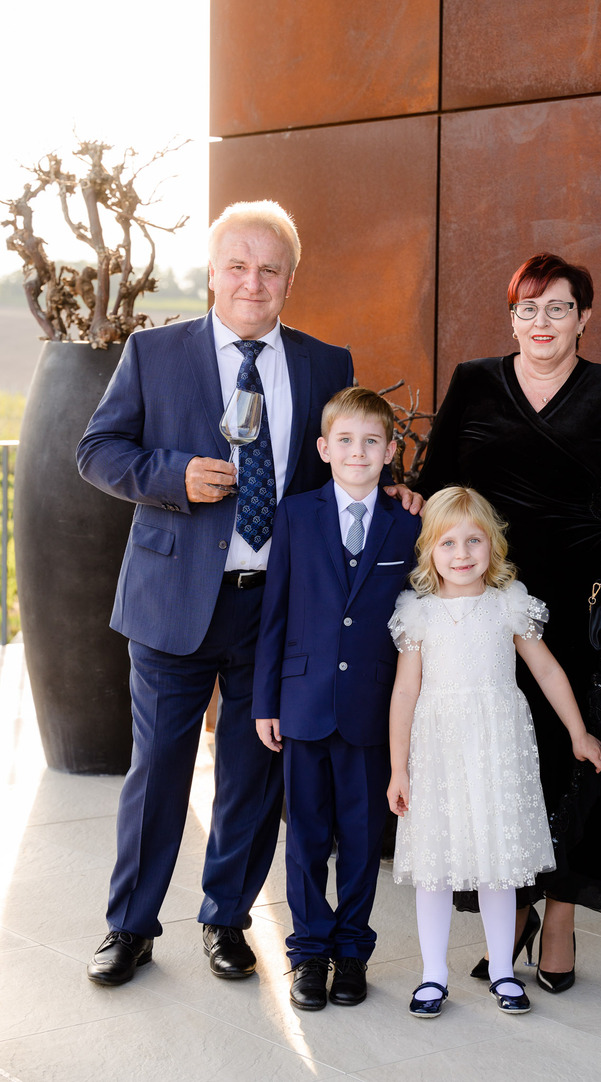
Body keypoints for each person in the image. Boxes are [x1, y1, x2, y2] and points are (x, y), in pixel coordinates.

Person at [76, 200, 392, 987]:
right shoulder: (153, 353)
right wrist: (170, 477)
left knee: (255, 772)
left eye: (270, 269)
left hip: (279, 610)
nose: (254, 281)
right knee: (160, 774)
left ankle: (226, 918)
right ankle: (131, 927)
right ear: (213, 273)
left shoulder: (326, 364)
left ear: (290, 280)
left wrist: (400, 499)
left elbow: (341, 470)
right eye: (238, 265)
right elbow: (97, 451)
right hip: (171, 599)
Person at [417, 253, 601, 993]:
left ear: (584, 317)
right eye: (526, 309)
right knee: (508, 762)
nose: (541, 323)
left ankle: (559, 915)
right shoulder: (474, 381)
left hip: (591, 608)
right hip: (489, 602)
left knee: (585, 758)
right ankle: (518, 905)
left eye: (557, 308)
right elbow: (437, 489)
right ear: (510, 318)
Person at [386, 486, 601, 1016]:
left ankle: (503, 970)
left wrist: (577, 731)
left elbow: (547, 670)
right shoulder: (419, 614)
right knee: (435, 863)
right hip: (437, 751)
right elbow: (405, 692)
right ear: (429, 552)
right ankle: (433, 974)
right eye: (448, 544)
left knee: (497, 864)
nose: (462, 554)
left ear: (493, 545)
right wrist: (399, 769)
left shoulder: (508, 604)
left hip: (496, 748)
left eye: (474, 541)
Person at [253, 387, 422, 1010]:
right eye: (345, 441)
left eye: (371, 442)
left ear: (390, 450)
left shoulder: (409, 523)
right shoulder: (295, 514)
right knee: (304, 836)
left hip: (373, 709)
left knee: (361, 835)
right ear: (324, 448)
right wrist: (265, 700)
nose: (358, 452)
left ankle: (352, 951)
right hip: (301, 702)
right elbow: (275, 612)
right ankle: (309, 953)